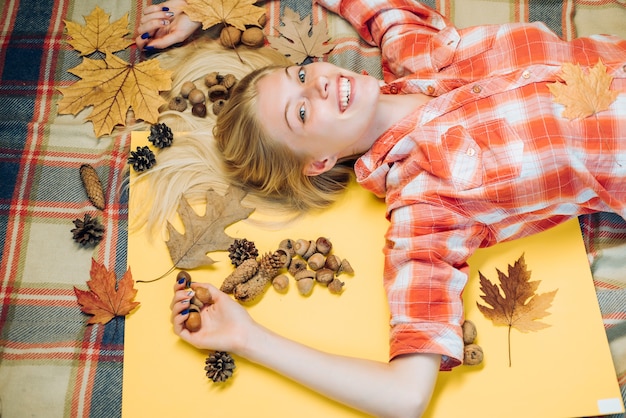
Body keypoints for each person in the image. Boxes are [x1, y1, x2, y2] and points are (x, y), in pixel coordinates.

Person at [135, 0, 626, 416]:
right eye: (302, 111)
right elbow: (405, 396)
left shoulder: (417, 51)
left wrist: (204, 9)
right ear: (319, 162)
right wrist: (248, 339)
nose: (319, 84)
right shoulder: (425, 205)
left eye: (301, 74)